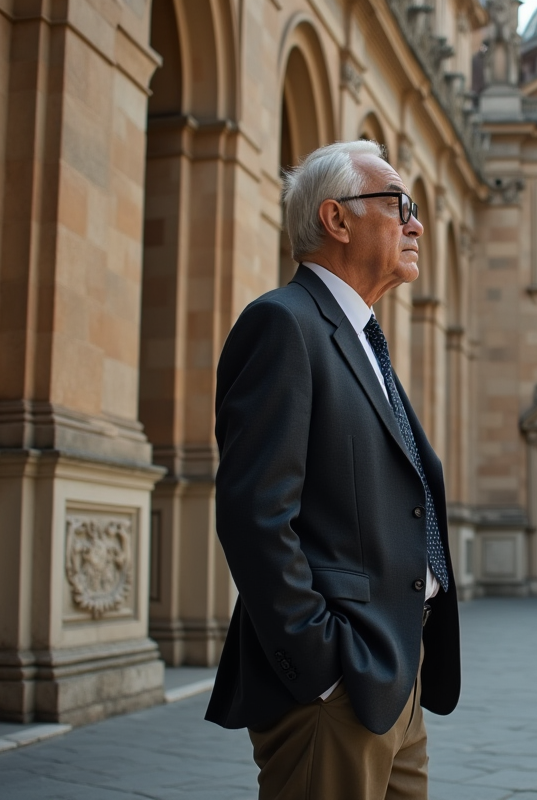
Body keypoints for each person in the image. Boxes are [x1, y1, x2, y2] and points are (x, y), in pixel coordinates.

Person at [204, 140, 460, 800]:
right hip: (337, 687)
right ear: (336, 220)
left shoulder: (362, 336)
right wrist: (319, 667)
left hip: (397, 672)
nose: (416, 223)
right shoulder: (282, 324)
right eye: (397, 204)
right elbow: (255, 515)